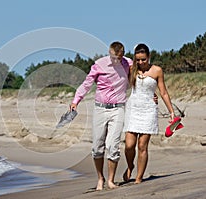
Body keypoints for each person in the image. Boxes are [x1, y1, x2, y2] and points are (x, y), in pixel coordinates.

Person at [70, 41, 133, 190]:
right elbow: (87, 84)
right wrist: (76, 101)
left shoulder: (128, 63)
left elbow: (141, 73)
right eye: (114, 57)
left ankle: (111, 180)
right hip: (100, 109)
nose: (117, 61)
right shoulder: (100, 64)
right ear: (109, 53)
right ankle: (100, 178)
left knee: (113, 145)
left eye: (119, 57)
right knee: (97, 146)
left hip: (118, 109)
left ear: (123, 54)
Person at [123, 43, 175, 184]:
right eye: (138, 59)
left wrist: (171, 112)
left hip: (149, 110)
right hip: (133, 108)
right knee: (128, 145)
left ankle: (139, 178)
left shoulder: (157, 70)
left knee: (142, 146)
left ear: (149, 57)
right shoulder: (131, 69)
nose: (140, 62)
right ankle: (130, 166)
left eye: (143, 59)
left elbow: (163, 92)